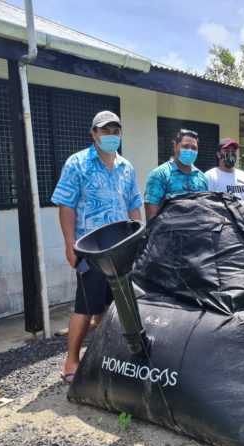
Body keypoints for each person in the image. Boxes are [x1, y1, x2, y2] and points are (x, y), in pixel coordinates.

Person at [51, 111, 143, 383]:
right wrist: (70, 246)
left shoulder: (126, 167)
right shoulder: (77, 164)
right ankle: (72, 361)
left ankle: (106, 355)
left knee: (114, 306)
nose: (111, 136)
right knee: (86, 305)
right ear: (94, 134)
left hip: (120, 251)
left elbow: (134, 205)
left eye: (116, 131)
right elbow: (65, 206)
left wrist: (137, 240)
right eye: (105, 131)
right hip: (90, 250)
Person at [144, 129, 208, 221]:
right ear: (175, 146)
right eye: (185, 146)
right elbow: (151, 214)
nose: (190, 151)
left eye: (194, 148)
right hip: (168, 234)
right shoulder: (159, 175)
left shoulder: (202, 178)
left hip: (197, 234)